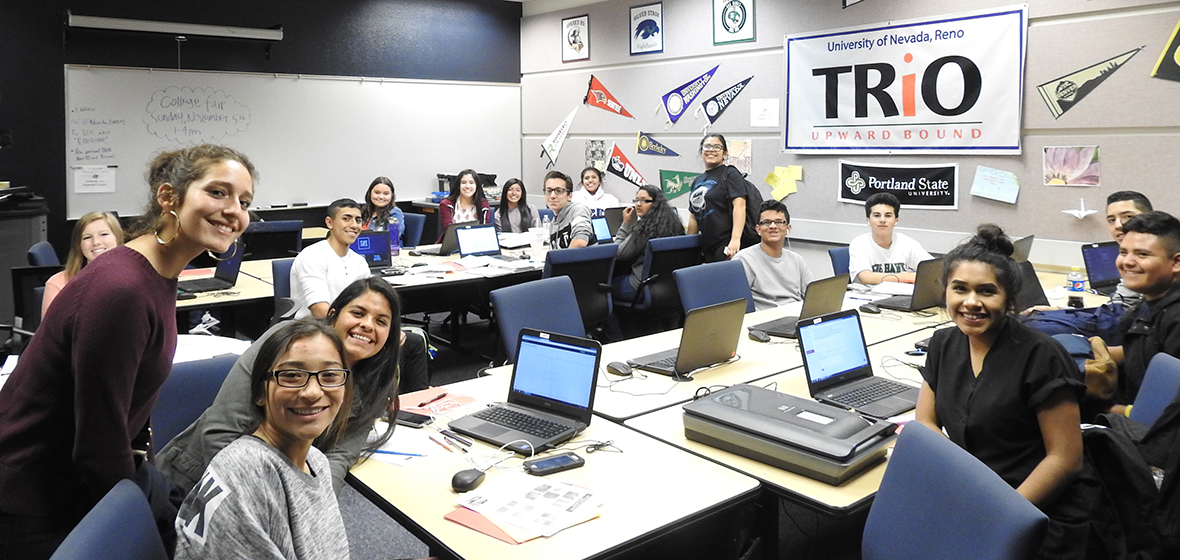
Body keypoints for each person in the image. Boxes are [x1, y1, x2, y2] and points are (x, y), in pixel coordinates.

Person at [0, 145, 256, 559]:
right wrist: (136, 527)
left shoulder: (156, 272)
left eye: (244, 202)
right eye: (218, 192)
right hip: (34, 494)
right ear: (169, 197)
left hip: (85, 470)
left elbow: (125, 408)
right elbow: (98, 445)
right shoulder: (122, 289)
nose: (234, 211)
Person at [916, 224, 1091, 559]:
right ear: (945, 293)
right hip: (977, 494)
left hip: (1037, 506)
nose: (971, 302)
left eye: (986, 291)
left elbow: (1065, 459)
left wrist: (1002, 513)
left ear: (1010, 299)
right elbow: (925, 421)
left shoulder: (1042, 355)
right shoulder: (943, 344)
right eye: (960, 289)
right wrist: (955, 483)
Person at [159, 276, 411, 495]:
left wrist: (318, 506)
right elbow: (219, 433)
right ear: (332, 315)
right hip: (199, 481)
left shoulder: (373, 383)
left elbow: (338, 458)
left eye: (381, 321)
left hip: (284, 482)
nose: (367, 324)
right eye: (357, 313)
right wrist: (278, 502)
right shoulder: (287, 343)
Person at [173, 319, 351, 559]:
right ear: (259, 393)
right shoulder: (245, 471)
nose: (312, 392)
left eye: (329, 375)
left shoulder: (316, 460)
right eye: (291, 376)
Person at [1022, 190, 1153, 315]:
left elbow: (1113, 317)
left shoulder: (1152, 262)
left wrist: (1062, 313)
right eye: (1111, 220)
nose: (1118, 225)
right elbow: (1114, 311)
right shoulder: (1131, 258)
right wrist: (1060, 311)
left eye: (1128, 217)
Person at [1102, 211, 1180, 413]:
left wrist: (1106, 411)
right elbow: (1146, 351)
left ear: (1177, 262)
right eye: (1123, 252)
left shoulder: (1175, 317)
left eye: (1142, 254)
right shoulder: (1149, 301)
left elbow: (1164, 412)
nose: (1127, 262)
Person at [290, 198, 367, 320]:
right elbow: (320, 311)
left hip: (347, 327)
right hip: (311, 331)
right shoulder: (312, 256)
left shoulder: (360, 262)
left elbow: (367, 304)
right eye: (346, 219)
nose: (354, 225)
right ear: (329, 223)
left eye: (358, 220)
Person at [686, 133, 756, 263]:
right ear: (701, 151)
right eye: (707, 146)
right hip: (706, 245)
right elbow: (693, 216)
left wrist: (735, 240)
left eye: (717, 147)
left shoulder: (730, 173)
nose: (711, 150)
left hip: (726, 244)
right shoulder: (697, 181)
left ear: (724, 153)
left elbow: (739, 205)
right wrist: (688, 246)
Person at [734, 200, 814, 311]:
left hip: (795, 314)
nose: (772, 226)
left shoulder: (797, 260)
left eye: (779, 222)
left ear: (788, 228)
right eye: (766, 222)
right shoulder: (743, 260)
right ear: (758, 229)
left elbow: (812, 295)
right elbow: (738, 305)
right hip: (765, 319)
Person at [41, 211, 124, 316]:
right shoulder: (58, 283)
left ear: (118, 238)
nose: (96, 242)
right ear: (79, 245)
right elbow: (51, 331)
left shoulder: (136, 278)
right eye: (87, 237)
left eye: (104, 234)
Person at [612, 184, 684, 302]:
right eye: (637, 200)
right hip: (670, 286)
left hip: (641, 287)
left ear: (655, 204)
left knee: (604, 290)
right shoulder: (674, 225)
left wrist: (625, 223)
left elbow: (619, 252)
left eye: (645, 201)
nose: (638, 204)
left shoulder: (645, 229)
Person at [848, 192, 933, 284]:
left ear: (896, 220)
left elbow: (933, 268)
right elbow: (866, 278)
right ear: (868, 220)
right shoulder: (859, 243)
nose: (882, 220)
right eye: (877, 215)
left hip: (901, 295)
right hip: (870, 296)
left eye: (888, 216)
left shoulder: (907, 242)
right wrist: (906, 277)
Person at [543, 170, 594, 249]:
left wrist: (561, 260)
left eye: (558, 191)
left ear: (569, 195)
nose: (552, 196)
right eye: (549, 191)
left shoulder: (578, 210)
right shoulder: (553, 224)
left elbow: (580, 241)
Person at [437, 169, 491, 241]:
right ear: (458, 186)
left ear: (477, 186)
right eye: (463, 182)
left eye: (471, 183)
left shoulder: (483, 204)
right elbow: (448, 230)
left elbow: (484, 229)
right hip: (453, 243)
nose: (467, 186)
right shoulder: (446, 204)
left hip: (476, 243)